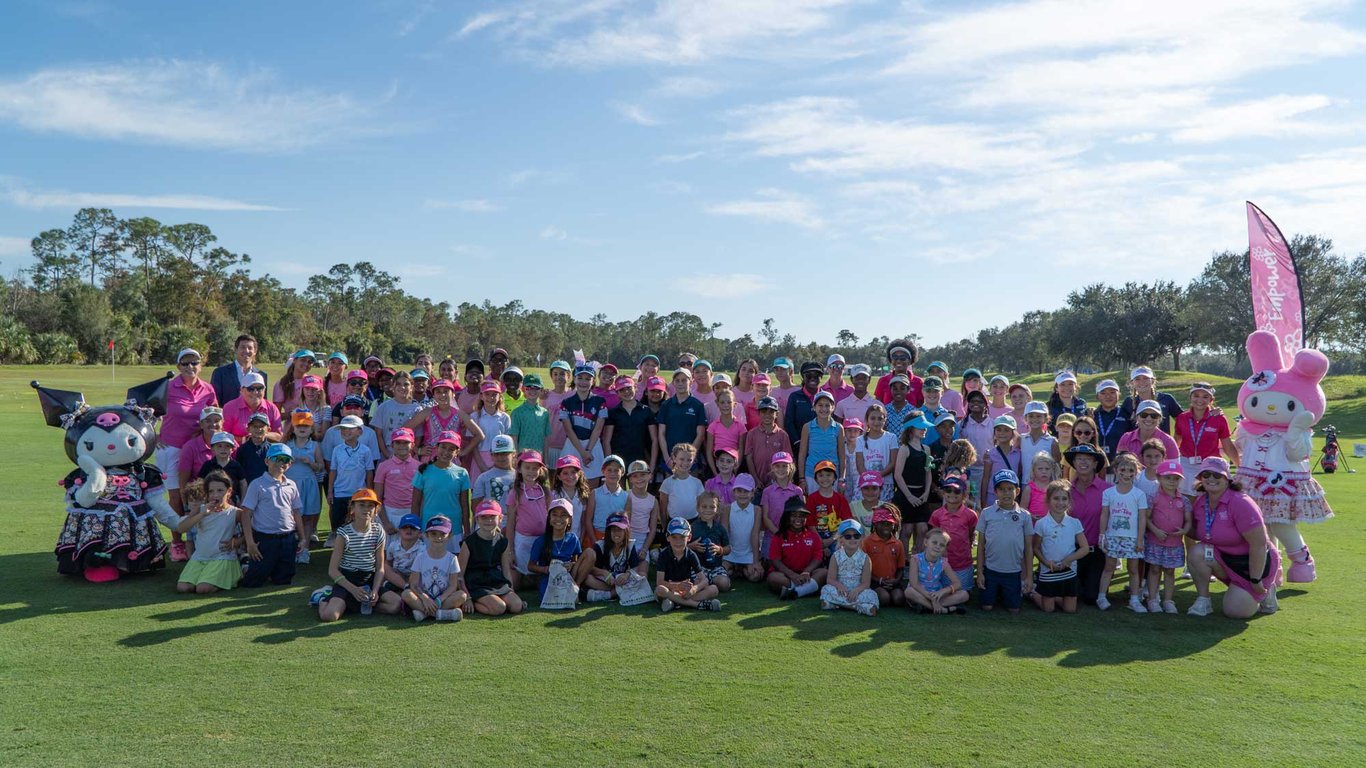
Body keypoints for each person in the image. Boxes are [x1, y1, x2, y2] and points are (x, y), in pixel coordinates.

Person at [1186, 457, 1281, 617]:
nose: (1211, 478)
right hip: (1224, 558)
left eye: (1217, 475)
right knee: (1197, 552)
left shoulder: (1241, 503)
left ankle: (1266, 589)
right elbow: (1198, 532)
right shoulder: (1201, 501)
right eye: (1206, 474)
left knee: (1235, 612)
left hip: (1252, 564)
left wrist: (1255, 579)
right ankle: (1204, 600)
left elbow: (1259, 544)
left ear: (1227, 479)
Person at [159, 347, 220, 561]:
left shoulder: (208, 389)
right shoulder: (168, 387)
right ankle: (177, 542)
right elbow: (144, 409)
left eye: (194, 363)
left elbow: (215, 416)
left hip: (199, 446)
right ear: (178, 366)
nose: (190, 367)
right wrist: (152, 435)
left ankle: (198, 538)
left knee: (200, 492)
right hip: (171, 448)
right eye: (185, 363)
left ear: (200, 366)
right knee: (176, 496)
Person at [318, 489, 400, 621]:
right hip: (347, 580)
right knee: (330, 616)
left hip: (369, 579)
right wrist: (353, 590)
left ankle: (360, 603)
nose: (366, 509)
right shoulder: (343, 533)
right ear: (352, 508)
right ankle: (322, 598)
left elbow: (380, 567)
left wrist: (375, 590)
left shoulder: (379, 531)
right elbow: (332, 571)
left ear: (376, 510)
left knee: (396, 605)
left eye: (370, 506)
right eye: (361, 505)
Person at [239, 444, 306, 587]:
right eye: (276, 458)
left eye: (285, 460)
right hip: (265, 539)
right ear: (267, 461)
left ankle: (272, 569)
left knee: (283, 580)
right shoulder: (257, 484)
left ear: (290, 464)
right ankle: (245, 565)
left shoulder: (291, 485)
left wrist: (302, 538)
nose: (280, 463)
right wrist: (250, 543)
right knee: (253, 581)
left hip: (287, 538)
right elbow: (246, 514)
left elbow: (296, 512)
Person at [1096, 453, 1150, 612]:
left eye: (1131, 470)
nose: (1127, 474)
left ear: (1136, 472)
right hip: (1112, 536)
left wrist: (1140, 539)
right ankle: (1101, 597)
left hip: (1132, 538)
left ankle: (1134, 599)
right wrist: (1102, 535)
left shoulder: (1139, 495)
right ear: (1116, 470)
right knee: (1109, 567)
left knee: (1133, 569)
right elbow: (1104, 514)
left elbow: (1142, 518)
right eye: (1123, 470)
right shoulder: (1109, 493)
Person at [974, 470, 1033, 614]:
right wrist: (980, 572)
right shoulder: (987, 513)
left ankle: (1005, 592)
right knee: (986, 607)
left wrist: (1029, 577)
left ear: (1017, 491)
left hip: (1013, 571)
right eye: (1001, 489)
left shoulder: (1024, 516)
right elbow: (980, 546)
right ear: (995, 492)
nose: (1006, 493)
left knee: (1014, 609)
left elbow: (1029, 547)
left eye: (1010, 489)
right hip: (991, 570)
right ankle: (996, 592)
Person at [173, 473, 242, 594]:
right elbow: (181, 528)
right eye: (211, 491)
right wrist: (202, 514)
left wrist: (238, 541)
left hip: (222, 557)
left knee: (203, 589)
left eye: (220, 490)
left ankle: (230, 576)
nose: (215, 495)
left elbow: (250, 530)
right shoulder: (201, 509)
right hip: (199, 557)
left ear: (229, 491)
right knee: (183, 588)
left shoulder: (235, 512)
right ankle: (204, 576)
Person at [1031, 479, 1089, 614]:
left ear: (1069, 501)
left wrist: (1068, 560)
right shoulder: (1041, 524)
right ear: (1048, 500)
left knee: (1070, 610)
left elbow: (1084, 548)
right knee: (1048, 609)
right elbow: (1036, 548)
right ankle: (1035, 594)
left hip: (1069, 570)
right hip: (1048, 571)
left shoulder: (1074, 523)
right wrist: (1046, 562)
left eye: (1064, 499)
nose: (1060, 503)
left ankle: (1053, 597)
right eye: (1056, 499)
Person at [459, 500, 524, 616]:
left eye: (492, 517)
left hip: (496, 581)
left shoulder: (503, 541)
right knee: (499, 608)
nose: (488, 520)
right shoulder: (469, 543)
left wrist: (511, 589)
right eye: (484, 517)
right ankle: (475, 603)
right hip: (477, 584)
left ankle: (494, 600)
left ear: (500, 518)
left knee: (516, 606)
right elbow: (459, 574)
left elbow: (506, 570)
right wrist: (467, 597)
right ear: (477, 519)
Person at [1174, 383, 1239, 495]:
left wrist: (1240, 466)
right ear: (1190, 398)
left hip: (1211, 466)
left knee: (1211, 501)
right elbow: (1176, 443)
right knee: (1188, 504)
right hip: (1187, 466)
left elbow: (1227, 445)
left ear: (1211, 400)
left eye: (1205, 397)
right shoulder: (1182, 418)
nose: (1200, 400)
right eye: (1196, 396)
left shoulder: (1218, 419)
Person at [411, 431, 472, 549]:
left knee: (452, 564)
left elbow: (465, 506)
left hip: (454, 528)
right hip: (428, 527)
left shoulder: (462, 473)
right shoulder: (423, 470)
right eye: (443, 447)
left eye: (451, 449)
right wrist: (415, 528)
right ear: (437, 447)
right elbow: (415, 503)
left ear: (457, 452)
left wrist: (467, 531)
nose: (446, 452)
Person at [1145, 459, 1192, 613]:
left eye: (1176, 478)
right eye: (1168, 478)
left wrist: (1184, 531)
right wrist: (1155, 531)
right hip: (1155, 541)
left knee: (1170, 571)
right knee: (1154, 570)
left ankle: (1168, 601)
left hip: (1175, 543)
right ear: (1159, 478)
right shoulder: (1153, 497)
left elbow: (1188, 521)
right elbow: (1146, 518)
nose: (1172, 482)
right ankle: (1153, 599)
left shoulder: (1183, 499)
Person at [402, 515, 467, 622]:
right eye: (434, 534)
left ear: (450, 535)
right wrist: (425, 598)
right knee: (406, 594)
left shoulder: (452, 558)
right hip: (423, 599)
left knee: (461, 596)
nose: (438, 538)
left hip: (443, 600)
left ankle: (424, 614)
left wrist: (439, 600)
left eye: (443, 534)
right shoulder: (420, 557)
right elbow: (413, 584)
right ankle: (442, 614)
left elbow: (453, 585)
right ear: (426, 535)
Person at [404, 379, 483, 462]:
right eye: (438, 392)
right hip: (429, 460)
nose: (442, 395)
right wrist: (417, 450)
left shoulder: (460, 414)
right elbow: (404, 430)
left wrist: (463, 452)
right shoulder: (427, 412)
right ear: (433, 395)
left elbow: (479, 435)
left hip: (451, 460)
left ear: (453, 394)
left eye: (446, 391)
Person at [654, 517, 722, 612]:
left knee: (714, 589)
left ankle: (675, 603)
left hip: (685, 592)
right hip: (669, 589)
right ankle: (697, 605)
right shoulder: (663, 555)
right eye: (674, 537)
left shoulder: (691, 555)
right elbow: (660, 582)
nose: (678, 542)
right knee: (660, 590)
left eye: (682, 537)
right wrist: (677, 586)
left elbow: (704, 580)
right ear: (667, 537)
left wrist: (694, 589)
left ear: (689, 537)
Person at [326, 414, 377, 540]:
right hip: (340, 492)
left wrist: (369, 492)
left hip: (358, 493)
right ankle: (338, 546)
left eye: (350, 428)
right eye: (343, 429)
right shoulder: (337, 450)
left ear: (360, 431)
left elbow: (369, 472)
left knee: (357, 521)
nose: (345, 431)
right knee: (338, 522)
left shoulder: (366, 450)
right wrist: (330, 491)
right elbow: (333, 471)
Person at [892, 412, 937, 551]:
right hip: (906, 494)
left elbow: (928, 472)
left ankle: (919, 558)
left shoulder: (926, 449)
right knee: (907, 529)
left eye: (925, 427)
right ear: (911, 429)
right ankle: (905, 560)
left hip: (921, 493)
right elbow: (898, 475)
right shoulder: (905, 449)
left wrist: (926, 492)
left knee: (923, 528)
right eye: (920, 427)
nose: (924, 430)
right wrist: (909, 496)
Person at [505, 450, 551, 587]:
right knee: (517, 581)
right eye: (527, 467)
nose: (531, 471)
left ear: (540, 470)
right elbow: (511, 523)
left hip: (542, 540)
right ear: (519, 469)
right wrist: (510, 550)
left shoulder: (546, 492)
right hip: (522, 540)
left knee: (538, 576)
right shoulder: (515, 493)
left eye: (535, 468)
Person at [767, 498, 828, 600]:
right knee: (773, 578)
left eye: (801, 516)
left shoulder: (813, 536)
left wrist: (806, 572)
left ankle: (795, 592)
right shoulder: (778, 537)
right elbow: (775, 560)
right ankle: (808, 589)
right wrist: (792, 575)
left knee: (824, 573)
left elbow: (818, 558)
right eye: (794, 515)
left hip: (808, 574)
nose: (798, 519)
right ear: (787, 517)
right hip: (786, 575)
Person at [815, 519, 878, 615]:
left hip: (857, 592)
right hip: (840, 591)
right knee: (826, 589)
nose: (852, 539)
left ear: (861, 538)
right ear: (841, 539)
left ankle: (837, 604)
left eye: (856, 536)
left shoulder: (865, 558)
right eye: (848, 536)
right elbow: (830, 579)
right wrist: (839, 586)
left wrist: (856, 590)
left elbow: (866, 583)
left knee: (871, 595)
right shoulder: (836, 556)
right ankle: (857, 607)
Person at [281, 413, 322, 557]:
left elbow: (321, 466)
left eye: (306, 425)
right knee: (289, 516)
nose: (302, 428)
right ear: (293, 428)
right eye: (299, 425)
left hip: (308, 484)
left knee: (307, 518)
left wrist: (310, 463)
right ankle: (290, 548)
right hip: (290, 485)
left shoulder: (315, 445)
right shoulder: (287, 445)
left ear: (311, 429)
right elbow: (279, 465)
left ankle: (304, 550)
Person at [928, 476, 979, 592]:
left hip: (962, 563)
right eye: (948, 490)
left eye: (957, 491)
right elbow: (934, 536)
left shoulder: (970, 515)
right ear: (943, 493)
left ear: (964, 495)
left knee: (963, 593)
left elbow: (971, 534)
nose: (952, 493)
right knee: (938, 590)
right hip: (940, 563)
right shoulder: (937, 514)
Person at [582, 512, 648, 602]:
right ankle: (617, 593)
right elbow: (590, 568)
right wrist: (603, 573)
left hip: (622, 580)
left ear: (626, 531)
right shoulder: (600, 546)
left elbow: (635, 567)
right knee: (587, 578)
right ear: (608, 532)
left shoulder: (630, 545)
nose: (616, 533)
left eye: (620, 529)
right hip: (605, 581)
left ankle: (607, 595)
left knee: (641, 576)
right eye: (613, 529)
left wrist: (627, 575)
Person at [528, 498, 583, 601]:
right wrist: (546, 569)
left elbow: (576, 560)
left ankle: (577, 588)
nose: (559, 519)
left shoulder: (573, 538)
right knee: (552, 597)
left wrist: (571, 564)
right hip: (549, 578)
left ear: (569, 520)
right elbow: (531, 566)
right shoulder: (541, 541)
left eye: (563, 515)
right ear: (549, 518)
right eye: (554, 514)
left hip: (568, 576)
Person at [905, 528, 969, 615]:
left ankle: (928, 608)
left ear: (945, 549)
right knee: (909, 592)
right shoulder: (915, 559)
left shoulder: (943, 563)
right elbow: (914, 583)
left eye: (942, 545)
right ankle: (945, 610)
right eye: (934, 542)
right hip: (921, 593)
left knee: (964, 594)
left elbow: (957, 584)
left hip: (938, 595)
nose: (938, 546)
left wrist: (942, 592)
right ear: (926, 542)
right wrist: (931, 598)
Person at [375, 427, 421, 534]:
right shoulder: (383, 466)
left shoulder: (419, 467)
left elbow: (421, 497)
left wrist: (417, 518)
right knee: (387, 549)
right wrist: (385, 522)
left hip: (412, 512)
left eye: (406, 443)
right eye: (398, 443)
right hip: (390, 513)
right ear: (392, 445)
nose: (402, 446)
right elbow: (377, 497)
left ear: (412, 445)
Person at [722, 473, 762, 583]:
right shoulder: (727, 509)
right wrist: (722, 555)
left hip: (747, 554)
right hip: (730, 553)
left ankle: (741, 569)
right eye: (739, 491)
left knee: (755, 576)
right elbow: (724, 533)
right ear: (734, 492)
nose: (742, 494)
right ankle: (733, 568)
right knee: (722, 574)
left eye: (746, 491)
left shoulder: (756, 510)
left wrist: (755, 561)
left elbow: (755, 535)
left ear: (752, 493)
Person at [470, 379, 512, 485]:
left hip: (498, 459)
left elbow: (507, 444)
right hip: (479, 459)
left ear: (499, 397)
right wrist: (481, 465)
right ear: (481, 396)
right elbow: (473, 444)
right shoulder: (474, 417)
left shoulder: (505, 418)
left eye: (494, 394)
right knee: (479, 491)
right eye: (487, 394)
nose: (491, 398)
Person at [864, 505, 907, 606]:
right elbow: (864, 568)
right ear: (875, 524)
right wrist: (879, 580)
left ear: (894, 525)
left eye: (889, 524)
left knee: (899, 599)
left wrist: (896, 581)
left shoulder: (898, 544)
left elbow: (900, 568)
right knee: (884, 599)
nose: (886, 526)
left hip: (893, 582)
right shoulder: (867, 542)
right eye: (882, 523)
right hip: (874, 582)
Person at [689, 492, 732, 593]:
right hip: (698, 568)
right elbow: (681, 548)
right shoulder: (692, 527)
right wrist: (691, 546)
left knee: (724, 584)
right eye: (704, 507)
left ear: (717, 509)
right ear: (698, 508)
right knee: (696, 583)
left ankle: (715, 581)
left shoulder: (720, 528)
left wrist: (719, 549)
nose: (708, 510)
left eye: (712, 507)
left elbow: (728, 548)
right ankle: (706, 584)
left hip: (715, 567)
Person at [1120, 367, 1183, 434]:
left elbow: (1183, 421)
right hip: (1136, 443)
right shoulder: (1128, 402)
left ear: (1152, 381)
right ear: (1132, 383)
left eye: (1146, 378)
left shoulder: (1166, 399)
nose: (1142, 382)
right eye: (1137, 379)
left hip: (1163, 443)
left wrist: (1177, 439)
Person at [760, 452, 804, 550]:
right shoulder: (767, 491)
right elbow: (765, 517)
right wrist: (778, 533)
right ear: (772, 468)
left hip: (792, 536)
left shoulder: (797, 491)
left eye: (784, 466)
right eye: (777, 466)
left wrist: (790, 533)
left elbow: (801, 515)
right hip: (772, 536)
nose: (781, 469)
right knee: (769, 563)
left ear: (791, 468)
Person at [743, 396, 791, 484]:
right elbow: (749, 457)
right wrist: (755, 479)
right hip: (757, 480)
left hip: (777, 481)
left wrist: (781, 480)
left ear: (777, 414)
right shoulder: (752, 434)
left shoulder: (783, 435)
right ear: (759, 413)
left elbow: (788, 459)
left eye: (771, 412)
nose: (767, 415)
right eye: (764, 412)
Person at [855, 403, 898, 502]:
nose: (876, 422)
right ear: (867, 420)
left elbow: (893, 463)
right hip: (865, 484)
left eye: (880, 418)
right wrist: (869, 479)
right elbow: (860, 465)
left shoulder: (891, 438)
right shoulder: (860, 440)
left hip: (885, 483)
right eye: (873, 418)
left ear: (885, 420)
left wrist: (878, 477)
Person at [806, 460, 852, 552]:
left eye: (828, 475)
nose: (825, 478)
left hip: (836, 537)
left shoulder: (841, 499)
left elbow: (846, 522)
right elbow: (810, 524)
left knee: (840, 550)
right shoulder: (812, 498)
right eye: (821, 475)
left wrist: (830, 541)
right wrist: (821, 542)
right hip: (817, 537)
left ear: (834, 478)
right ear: (816, 479)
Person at [583, 454, 629, 546]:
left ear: (622, 472)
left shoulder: (626, 496)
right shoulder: (595, 493)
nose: (613, 473)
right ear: (603, 471)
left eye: (616, 470)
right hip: (596, 535)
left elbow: (627, 522)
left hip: (616, 538)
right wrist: (595, 541)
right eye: (609, 470)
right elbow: (588, 520)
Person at [222, 372, 282, 441]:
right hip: (237, 450)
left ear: (264, 390)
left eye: (259, 388)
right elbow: (224, 435)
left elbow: (279, 436)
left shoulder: (272, 408)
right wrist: (245, 440)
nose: (255, 392)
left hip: (265, 450)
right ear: (241, 390)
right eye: (251, 389)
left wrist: (261, 435)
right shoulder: (230, 408)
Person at [210, 334, 265, 407]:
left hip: (253, 418)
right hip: (227, 417)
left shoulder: (261, 375)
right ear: (236, 349)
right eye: (242, 347)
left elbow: (263, 403)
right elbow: (214, 403)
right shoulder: (220, 373)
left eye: (250, 348)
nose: (246, 350)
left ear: (255, 351)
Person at [372, 371, 422, 449]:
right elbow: (379, 435)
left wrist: (410, 455)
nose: (402, 387)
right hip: (387, 454)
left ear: (411, 387)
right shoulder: (383, 407)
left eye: (406, 384)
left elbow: (418, 436)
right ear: (393, 386)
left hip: (408, 454)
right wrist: (386, 454)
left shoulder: (417, 409)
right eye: (398, 384)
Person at [980, 415, 1020, 509]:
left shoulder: (1018, 453)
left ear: (1013, 432)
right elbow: (985, 478)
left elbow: (1019, 475)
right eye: (999, 430)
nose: (1002, 433)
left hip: (1011, 496)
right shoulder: (990, 454)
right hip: (993, 495)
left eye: (1006, 430)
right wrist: (983, 501)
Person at [958, 390, 992, 498]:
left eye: (980, 401)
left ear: (986, 405)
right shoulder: (962, 425)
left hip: (987, 471)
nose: (976, 403)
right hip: (968, 471)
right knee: (971, 500)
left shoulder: (993, 424)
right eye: (972, 401)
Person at [508, 373, 551, 457]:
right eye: (529, 388)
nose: (532, 391)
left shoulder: (545, 413)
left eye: (536, 388)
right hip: (522, 459)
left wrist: (546, 461)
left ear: (541, 390)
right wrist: (516, 458)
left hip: (539, 458)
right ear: (523, 389)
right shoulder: (517, 412)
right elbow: (514, 438)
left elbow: (546, 439)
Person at [705, 389, 746, 476]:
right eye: (722, 402)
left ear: (734, 404)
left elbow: (741, 450)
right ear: (717, 404)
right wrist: (715, 473)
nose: (726, 405)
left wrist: (735, 468)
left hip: (733, 464)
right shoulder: (713, 426)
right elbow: (709, 452)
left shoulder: (740, 426)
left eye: (729, 402)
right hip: (717, 465)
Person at [660, 443, 704, 522]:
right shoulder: (667, 483)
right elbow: (663, 508)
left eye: (689, 460)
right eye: (681, 459)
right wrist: (664, 527)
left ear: (693, 461)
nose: (685, 463)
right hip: (674, 523)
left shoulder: (697, 483)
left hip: (694, 522)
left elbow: (701, 505)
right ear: (674, 458)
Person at [783, 361, 825, 441]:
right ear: (803, 377)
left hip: (821, 445)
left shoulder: (827, 397)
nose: (812, 378)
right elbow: (789, 423)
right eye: (808, 375)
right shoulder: (794, 397)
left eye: (816, 375)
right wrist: (798, 442)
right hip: (798, 446)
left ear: (821, 377)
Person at [874, 339, 923, 406]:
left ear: (910, 360)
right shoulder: (883, 381)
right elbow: (878, 406)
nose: (898, 361)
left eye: (903, 358)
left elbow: (920, 406)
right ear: (891, 360)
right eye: (895, 357)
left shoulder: (918, 382)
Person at [543, 361, 573, 466]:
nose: (558, 377)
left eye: (562, 374)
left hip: (569, 444)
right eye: (555, 374)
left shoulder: (573, 394)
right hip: (551, 444)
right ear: (551, 376)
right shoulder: (546, 396)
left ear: (568, 376)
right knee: (552, 477)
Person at [1018, 402, 1056, 483]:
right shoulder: (1021, 439)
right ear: (1025, 418)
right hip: (1025, 484)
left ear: (1046, 418)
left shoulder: (1052, 441)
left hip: (1045, 486)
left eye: (1038, 416)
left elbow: (1056, 467)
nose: (1034, 419)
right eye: (1031, 416)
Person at [1020, 453, 1061, 521]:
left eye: (1047, 469)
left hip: (1051, 524)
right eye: (1040, 469)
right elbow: (1023, 508)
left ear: (1052, 470)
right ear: (1034, 470)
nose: (1044, 471)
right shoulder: (1029, 488)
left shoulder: (1054, 487)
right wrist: (1031, 516)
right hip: (1034, 525)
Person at [883, 374, 918, 440]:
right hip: (887, 448)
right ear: (890, 390)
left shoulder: (913, 411)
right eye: (895, 389)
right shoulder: (884, 410)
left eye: (902, 388)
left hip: (906, 449)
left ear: (908, 390)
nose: (898, 391)